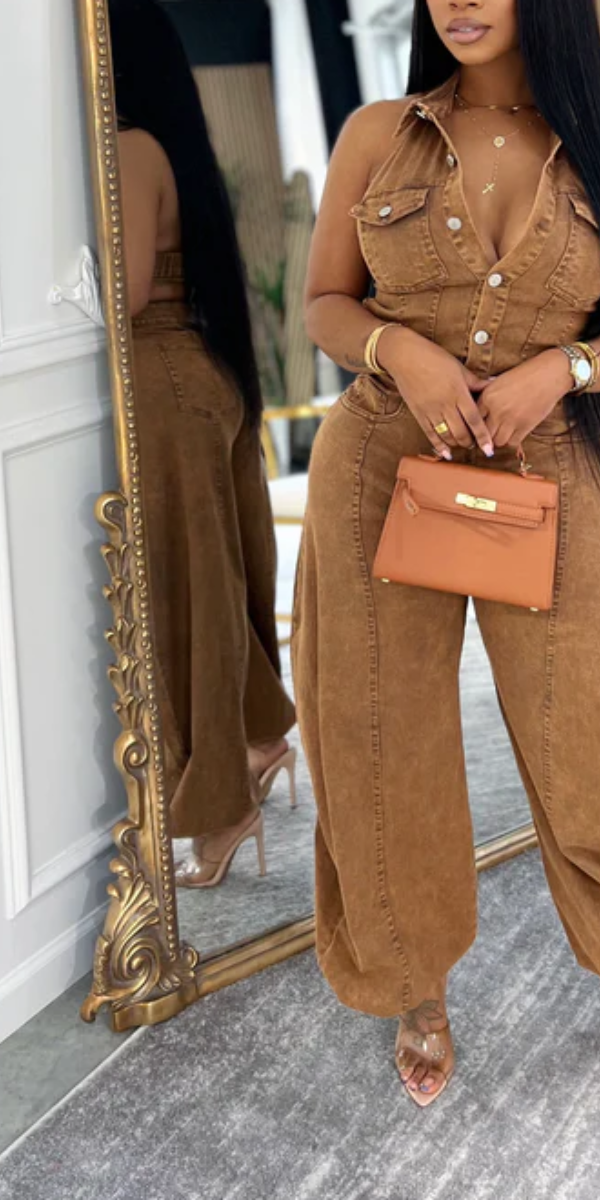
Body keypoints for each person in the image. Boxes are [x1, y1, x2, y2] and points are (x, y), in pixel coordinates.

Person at [291, 0, 600, 1136]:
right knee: (380, 734)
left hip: (549, 459)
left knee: (592, 739)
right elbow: (324, 303)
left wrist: (566, 368)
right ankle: (415, 985)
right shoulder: (378, 133)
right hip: (378, 463)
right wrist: (401, 350)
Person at [111, 0, 297, 888]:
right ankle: (257, 740)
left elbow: (127, 293)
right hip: (201, 369)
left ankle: (222, 805)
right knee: (219, 582)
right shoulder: (176, 146)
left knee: (187, 602)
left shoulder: (129, 147)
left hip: (163, 381)